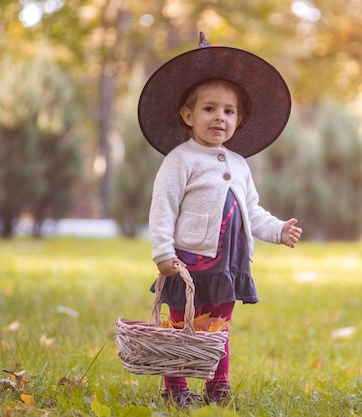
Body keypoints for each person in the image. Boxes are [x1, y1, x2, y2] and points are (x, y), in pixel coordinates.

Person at [137, 32, 302, 408]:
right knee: (181, 324)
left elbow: (252, 210)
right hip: (189, 261)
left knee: (218, 327)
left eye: (228, 111)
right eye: (209, 109)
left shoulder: (239, 164)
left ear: (238, 119)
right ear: (188, 115)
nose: (219, 117)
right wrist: (163, 253)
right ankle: (175, 386)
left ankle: (218, 383)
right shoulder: (180, 160)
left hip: (228, 264)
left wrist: (277, 230)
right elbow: (162, 206)